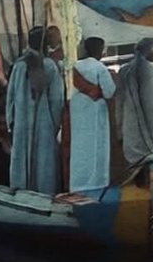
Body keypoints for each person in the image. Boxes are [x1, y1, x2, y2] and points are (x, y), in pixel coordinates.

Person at [6, 26, 64, 194]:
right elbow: (56, 100)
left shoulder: (19, 65)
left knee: (21, 159)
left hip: (21, 122)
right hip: (44, 122)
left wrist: (11, 122)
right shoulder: (50, 66)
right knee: (43, 162)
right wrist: (56, 124)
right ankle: (44, 194)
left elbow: (10, 98)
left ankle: (21, 191)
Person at [115, 36, 153, 173]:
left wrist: (120, 132)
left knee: (135, 177)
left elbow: (118, 105)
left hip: (132, 140)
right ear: (151, 53)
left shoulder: (124, 72)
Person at [69, 36, 117, 193]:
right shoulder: (100, 68)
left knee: (80, 147)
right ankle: (95, 184)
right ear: (100, 51)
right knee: (96, 148)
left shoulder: (75, 65)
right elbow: (109, 92)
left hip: (78, 111)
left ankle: (77, 183)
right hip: (95, 112)